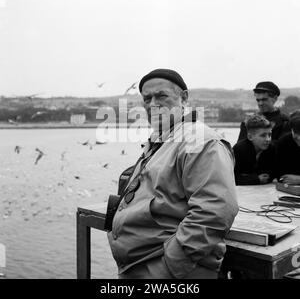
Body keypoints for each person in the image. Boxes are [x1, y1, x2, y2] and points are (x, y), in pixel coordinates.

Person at [107, 68, 239, 279]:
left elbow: (216, 210)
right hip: (141, 265)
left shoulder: (200, 140)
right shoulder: (162, 139)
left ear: (184, 98)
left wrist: (171, 265)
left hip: (167, 270)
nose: (152, 104)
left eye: (161, 96)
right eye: (147, 98)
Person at [233, 114, 276, 185]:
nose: (268, 139)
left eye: (270, 135)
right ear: (250, 137)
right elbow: (232, 177)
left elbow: (273, 173)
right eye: (263, 135)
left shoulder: (271, 148)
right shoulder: (239, 150)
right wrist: (256, 179)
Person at [277, 110, 300, 184]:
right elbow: (281, 175)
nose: (299, 137)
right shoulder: (283, 143)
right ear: (291, 129)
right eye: (296, 132)